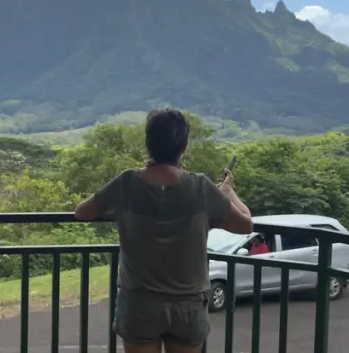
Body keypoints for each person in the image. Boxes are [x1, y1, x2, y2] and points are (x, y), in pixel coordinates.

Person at [74, 108, 253, 353]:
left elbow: (82, 212)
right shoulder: (200, 187)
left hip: (139, 302)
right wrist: (228, 193)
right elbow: (245, 224)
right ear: (184, 146)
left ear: (148, 143)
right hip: (188, 304)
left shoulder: (126, 183)